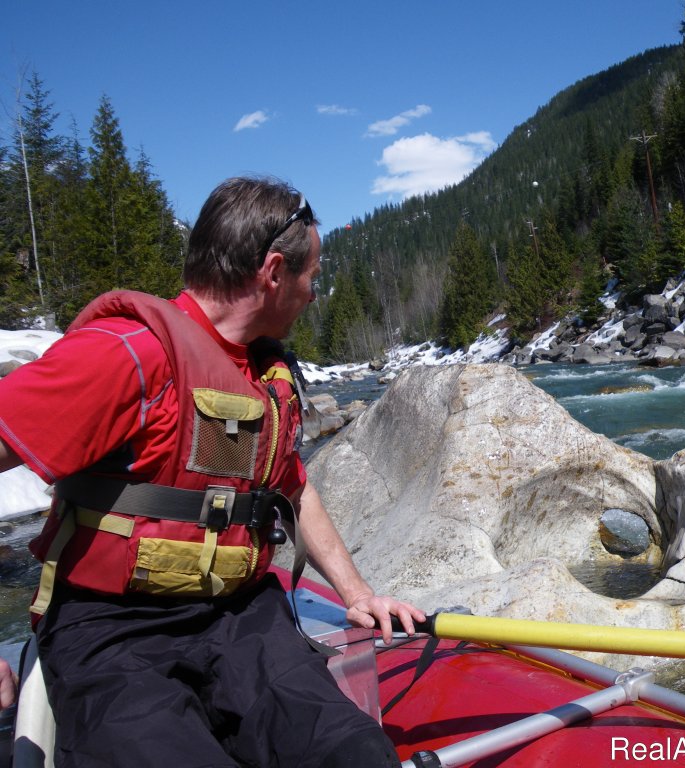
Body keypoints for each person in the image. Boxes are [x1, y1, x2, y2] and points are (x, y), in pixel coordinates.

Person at [0, 176, 424, 767]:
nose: (311, 293)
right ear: (274, 271)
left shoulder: (262, 374)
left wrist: (357, 594)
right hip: (113, 631)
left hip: (241, 616)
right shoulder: (126, 355)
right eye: (311, 278)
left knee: (354, 751)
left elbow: (293, 492)